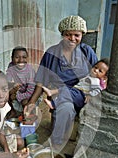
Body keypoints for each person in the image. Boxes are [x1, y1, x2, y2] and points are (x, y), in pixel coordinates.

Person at [24, 15, 98, 150]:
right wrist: (31, 102)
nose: (72, 39)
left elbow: (98, 76)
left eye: (76, 35)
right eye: (67, 35)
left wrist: (93, 94)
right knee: (66, 108)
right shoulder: (52, 53)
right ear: (62, 34)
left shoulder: (87, 52)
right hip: (59, 96)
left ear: (82, 34)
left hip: (82, 94)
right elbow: (41, 80)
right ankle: (56, 144)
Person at [43, 58, 109, 109]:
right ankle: (51, 92)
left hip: (81, 97)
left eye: (100, 71)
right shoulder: (90, 76)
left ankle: (53, 104)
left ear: (104, 77)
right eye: (95, 67)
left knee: (68, 94)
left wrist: (90, 95)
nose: (96, 70)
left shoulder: (96, 81)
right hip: (76, 91)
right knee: (65, 89)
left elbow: (97, 90)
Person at [6, 46, 36, 118]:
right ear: (12, 58)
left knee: (25, 102)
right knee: (5, 93)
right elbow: (8, 80)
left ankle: (27, 115)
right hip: (19, 89)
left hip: (29, 93)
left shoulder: (30, 71)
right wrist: (13, 88)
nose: (21, 60)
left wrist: (16, 96)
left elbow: (30, 92)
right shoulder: (11, 66)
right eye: (17, 57)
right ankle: (13, 111)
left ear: (27, 58)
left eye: (24, 57)